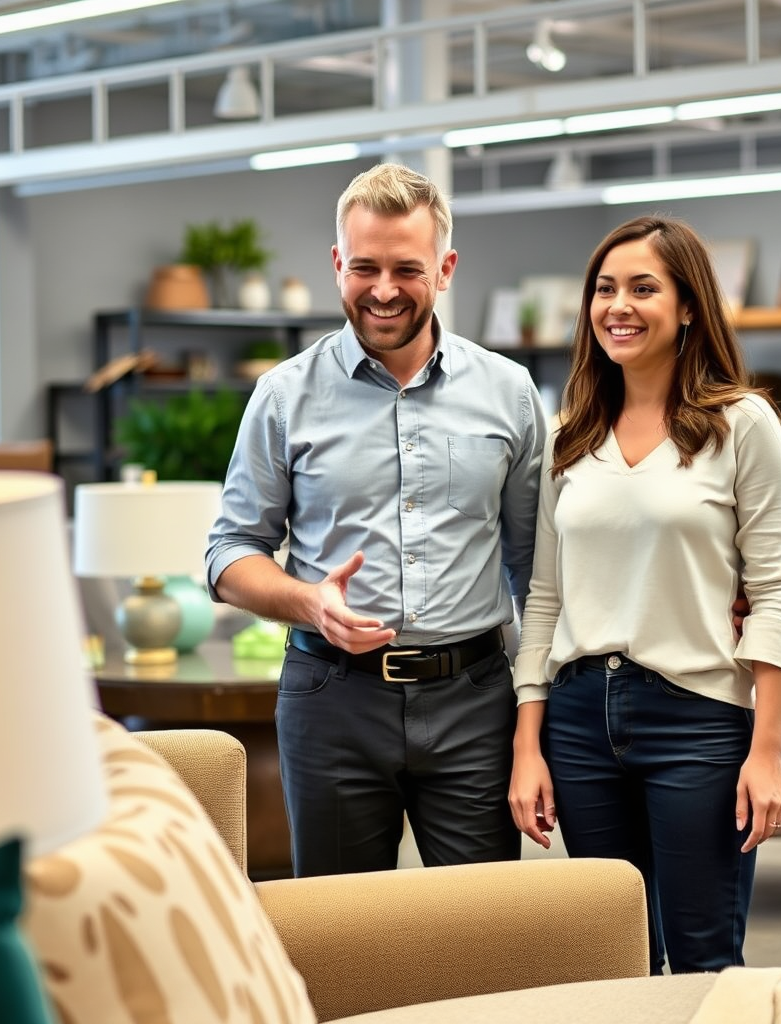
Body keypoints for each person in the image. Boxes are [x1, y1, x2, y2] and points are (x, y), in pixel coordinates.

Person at [205, 162, 546, 877]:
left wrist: (533, 724)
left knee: (489, 933)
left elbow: (534, 569)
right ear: (337, 265)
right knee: (339, 940)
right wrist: (308, 601)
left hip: (475, 702)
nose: (384, 290)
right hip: (332, 701)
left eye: (407, 269)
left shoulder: (508, 393)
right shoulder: (282, 396)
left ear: (445, 268)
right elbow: (230, 554)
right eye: (364, 267)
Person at [509, 215, 781, 975]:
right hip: (577, 723)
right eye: (605, 289)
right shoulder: (569, 434)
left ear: (687, 308)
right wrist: (527, 746)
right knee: (618, 956)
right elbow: (544, 597)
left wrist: (766, 751)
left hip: (699, 720)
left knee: (705, 958)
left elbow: (776, 594)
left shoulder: (744, 426)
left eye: (644, 288)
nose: (619, 305)